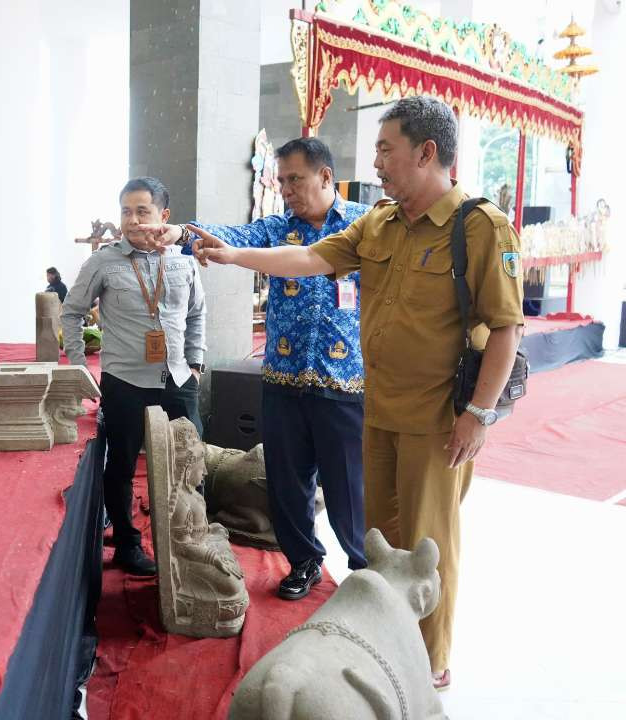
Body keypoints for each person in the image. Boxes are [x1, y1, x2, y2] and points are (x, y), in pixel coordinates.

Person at [156, 97, 524, 690]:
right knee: (380, 538)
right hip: (377, 410)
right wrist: (230, 255)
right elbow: (306, 257)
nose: (376, 161)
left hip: (435, 420)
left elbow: (506, 327)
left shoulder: (479, 227)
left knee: (428, 543)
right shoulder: (377, 223)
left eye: (386, 149)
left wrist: (478, 413)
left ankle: (428, 660)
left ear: (427, 153)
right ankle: (384, 637)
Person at [142, 137, 370, 600]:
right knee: (287, 481)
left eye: (295, 179)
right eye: (281, 180)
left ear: (325, 177)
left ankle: (364, 570)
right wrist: (181, 233)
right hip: (283, 378)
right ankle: (304, 560)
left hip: (343, 383)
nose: (285, 188)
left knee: (349, 485)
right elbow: (231, 237)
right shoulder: (276, 228)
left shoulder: (364, 227)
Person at [61, 176, 206, 576]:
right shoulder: (103, 262)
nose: (132, 219)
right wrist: (78, 366)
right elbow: (71, 312)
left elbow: (196, 315)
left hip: (178, 380)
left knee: (189, 461)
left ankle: (188, 543)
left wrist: (195, 365)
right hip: (124, 382)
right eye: (126, 211)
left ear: (164, 215)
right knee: (121, 466)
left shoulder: (184, 260)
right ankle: (127, 544)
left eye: (142, 211)